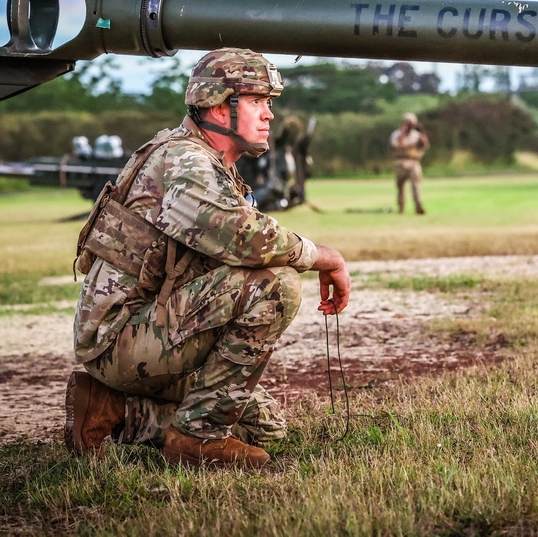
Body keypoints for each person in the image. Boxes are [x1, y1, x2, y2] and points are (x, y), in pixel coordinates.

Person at [65, 47, 351, 469]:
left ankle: (115, 410)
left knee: (266, 426)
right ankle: (196, 440)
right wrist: (325, 257)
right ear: (219, 108)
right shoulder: (185, 160)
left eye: (268, 103)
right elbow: (245, 238)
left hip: (153, 328)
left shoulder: (212, 161)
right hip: (120, 338)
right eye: (257, 101)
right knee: (276, 286)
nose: (269, 114)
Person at [389, 112, 430, 214]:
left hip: (413, 162)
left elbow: (425, 146)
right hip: (400, 162)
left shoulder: (417, 135)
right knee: (400, 186)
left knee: (415, 185)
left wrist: (423, 140)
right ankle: (401, 207)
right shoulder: (396, 134)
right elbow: (395, 144)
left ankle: (418, 206)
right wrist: (404, 133)